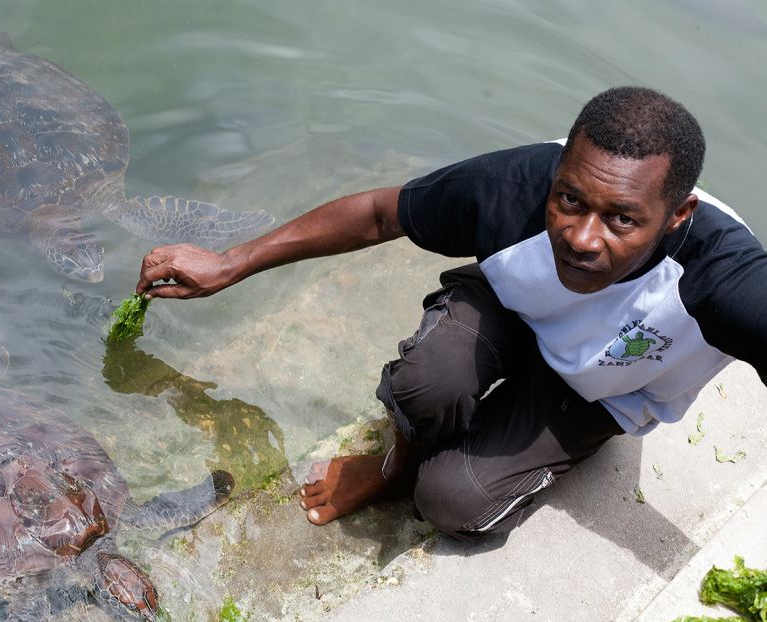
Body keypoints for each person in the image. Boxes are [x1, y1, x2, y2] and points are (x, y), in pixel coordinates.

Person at [134, 87, 767, 539]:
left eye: (621, 219)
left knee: (451, 501)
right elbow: (384, 213)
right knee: (428, 382)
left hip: (599, 387)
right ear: (558, 172)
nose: (581, 236)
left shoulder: (723, 276)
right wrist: (231, 263)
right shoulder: (516, 183)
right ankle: (389, 465)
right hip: (515, 311)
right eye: (569, 199)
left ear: (677, 216)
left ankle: (530, 441)